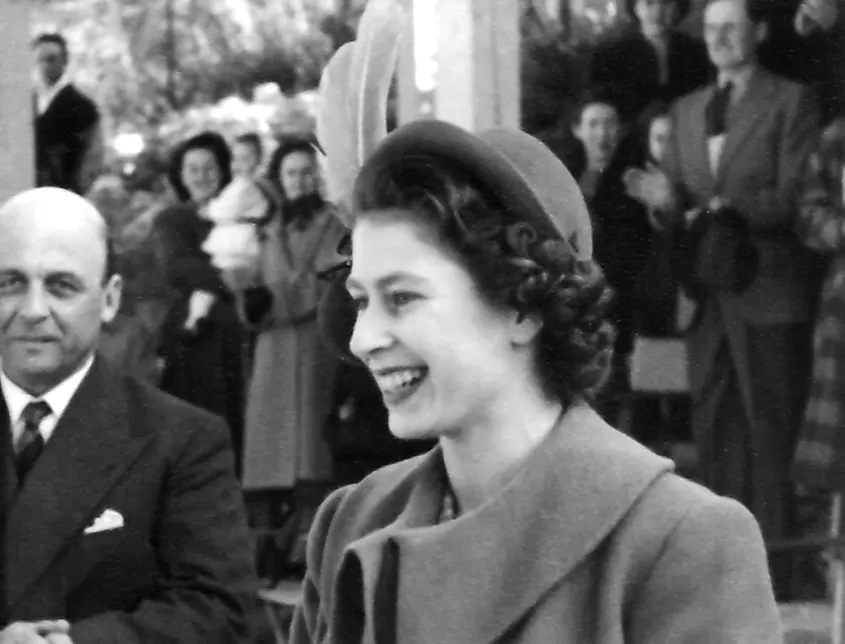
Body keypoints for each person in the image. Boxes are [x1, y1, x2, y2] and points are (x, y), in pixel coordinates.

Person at [290, 117, 782, 641]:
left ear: (522, 307)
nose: (363, 339)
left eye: (403, 297)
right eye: (361, 301)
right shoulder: (350, 521)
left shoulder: (680, 538)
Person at [624, 0, 821, 597]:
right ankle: (724, 579)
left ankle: (778, 581)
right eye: (711, 30)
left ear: (758, 32)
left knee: (771, 433)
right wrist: (664, 204)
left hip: (767, 291)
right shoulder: (686, 111)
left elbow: (793, 197)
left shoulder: (792, 100)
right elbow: (679, 213)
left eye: (732, 27)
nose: (720, 39)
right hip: (705, 299)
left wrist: (727, 211)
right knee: (716, 437)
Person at [0, 187, 258, 643]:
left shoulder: (183, 440)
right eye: (10, 283)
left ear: (110, 298)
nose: (34, 311)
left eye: (62, 286)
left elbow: (221, 609)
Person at [153, 132, 248, 474]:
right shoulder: (173, 219)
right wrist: (233, 279)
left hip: (240, 332)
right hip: (193, 336)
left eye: (210, 167)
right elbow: (178, 266)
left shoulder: (242, 211)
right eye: (193, 168)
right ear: (180, 175)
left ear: (223, 170)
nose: (202, 175)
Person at [591, 0, 712, 123]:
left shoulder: (697, 51)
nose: (658, 12)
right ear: (635, 7)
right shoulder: (610, 54)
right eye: (649, 3)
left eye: (666, 3)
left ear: (677, 7)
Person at [32, 33, 103, 195]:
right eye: (39, 59)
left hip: (64, 196)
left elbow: (92, 159)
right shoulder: (26, 105)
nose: (44, 66)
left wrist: (75, 192)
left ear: (64, 61)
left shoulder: (83, 109)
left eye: (50, 59)